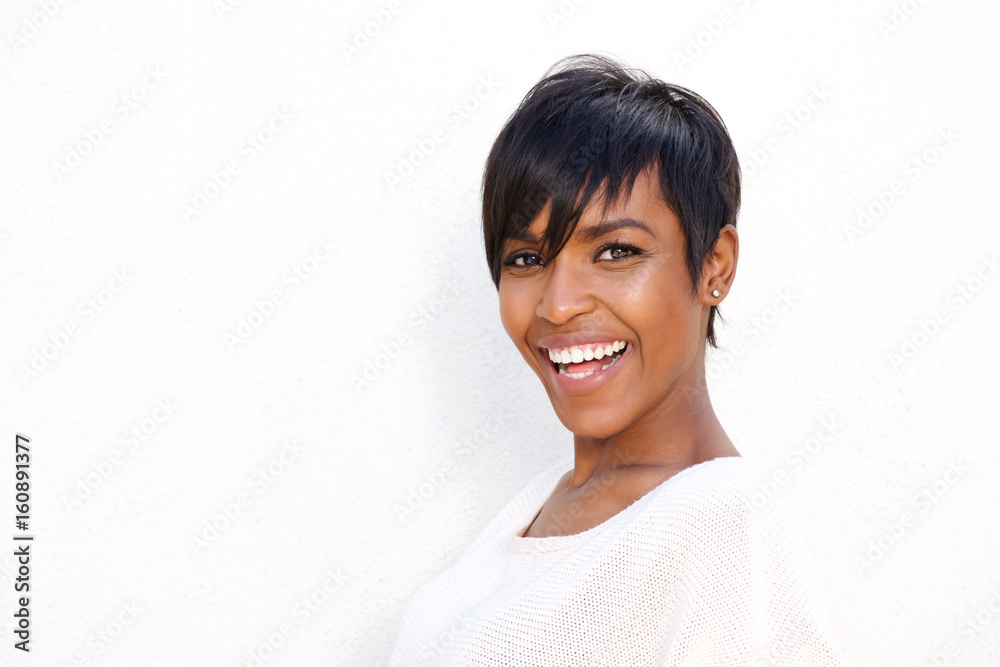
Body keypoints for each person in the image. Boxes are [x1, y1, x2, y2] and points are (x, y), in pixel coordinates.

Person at [388, 53, 846, 665]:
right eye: (526, 259)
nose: (558, 304)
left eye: (616, 251)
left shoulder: (723, 527)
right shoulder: (537, 506)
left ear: (716, 265)